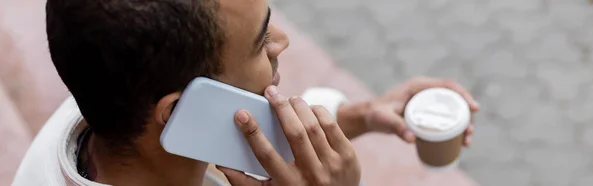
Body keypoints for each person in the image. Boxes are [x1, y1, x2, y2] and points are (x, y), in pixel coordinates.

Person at [12, 0, 479, 185]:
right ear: (178, 113)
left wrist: (359, 116)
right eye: (261, 42)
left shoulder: (111, 103)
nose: (282, 41)